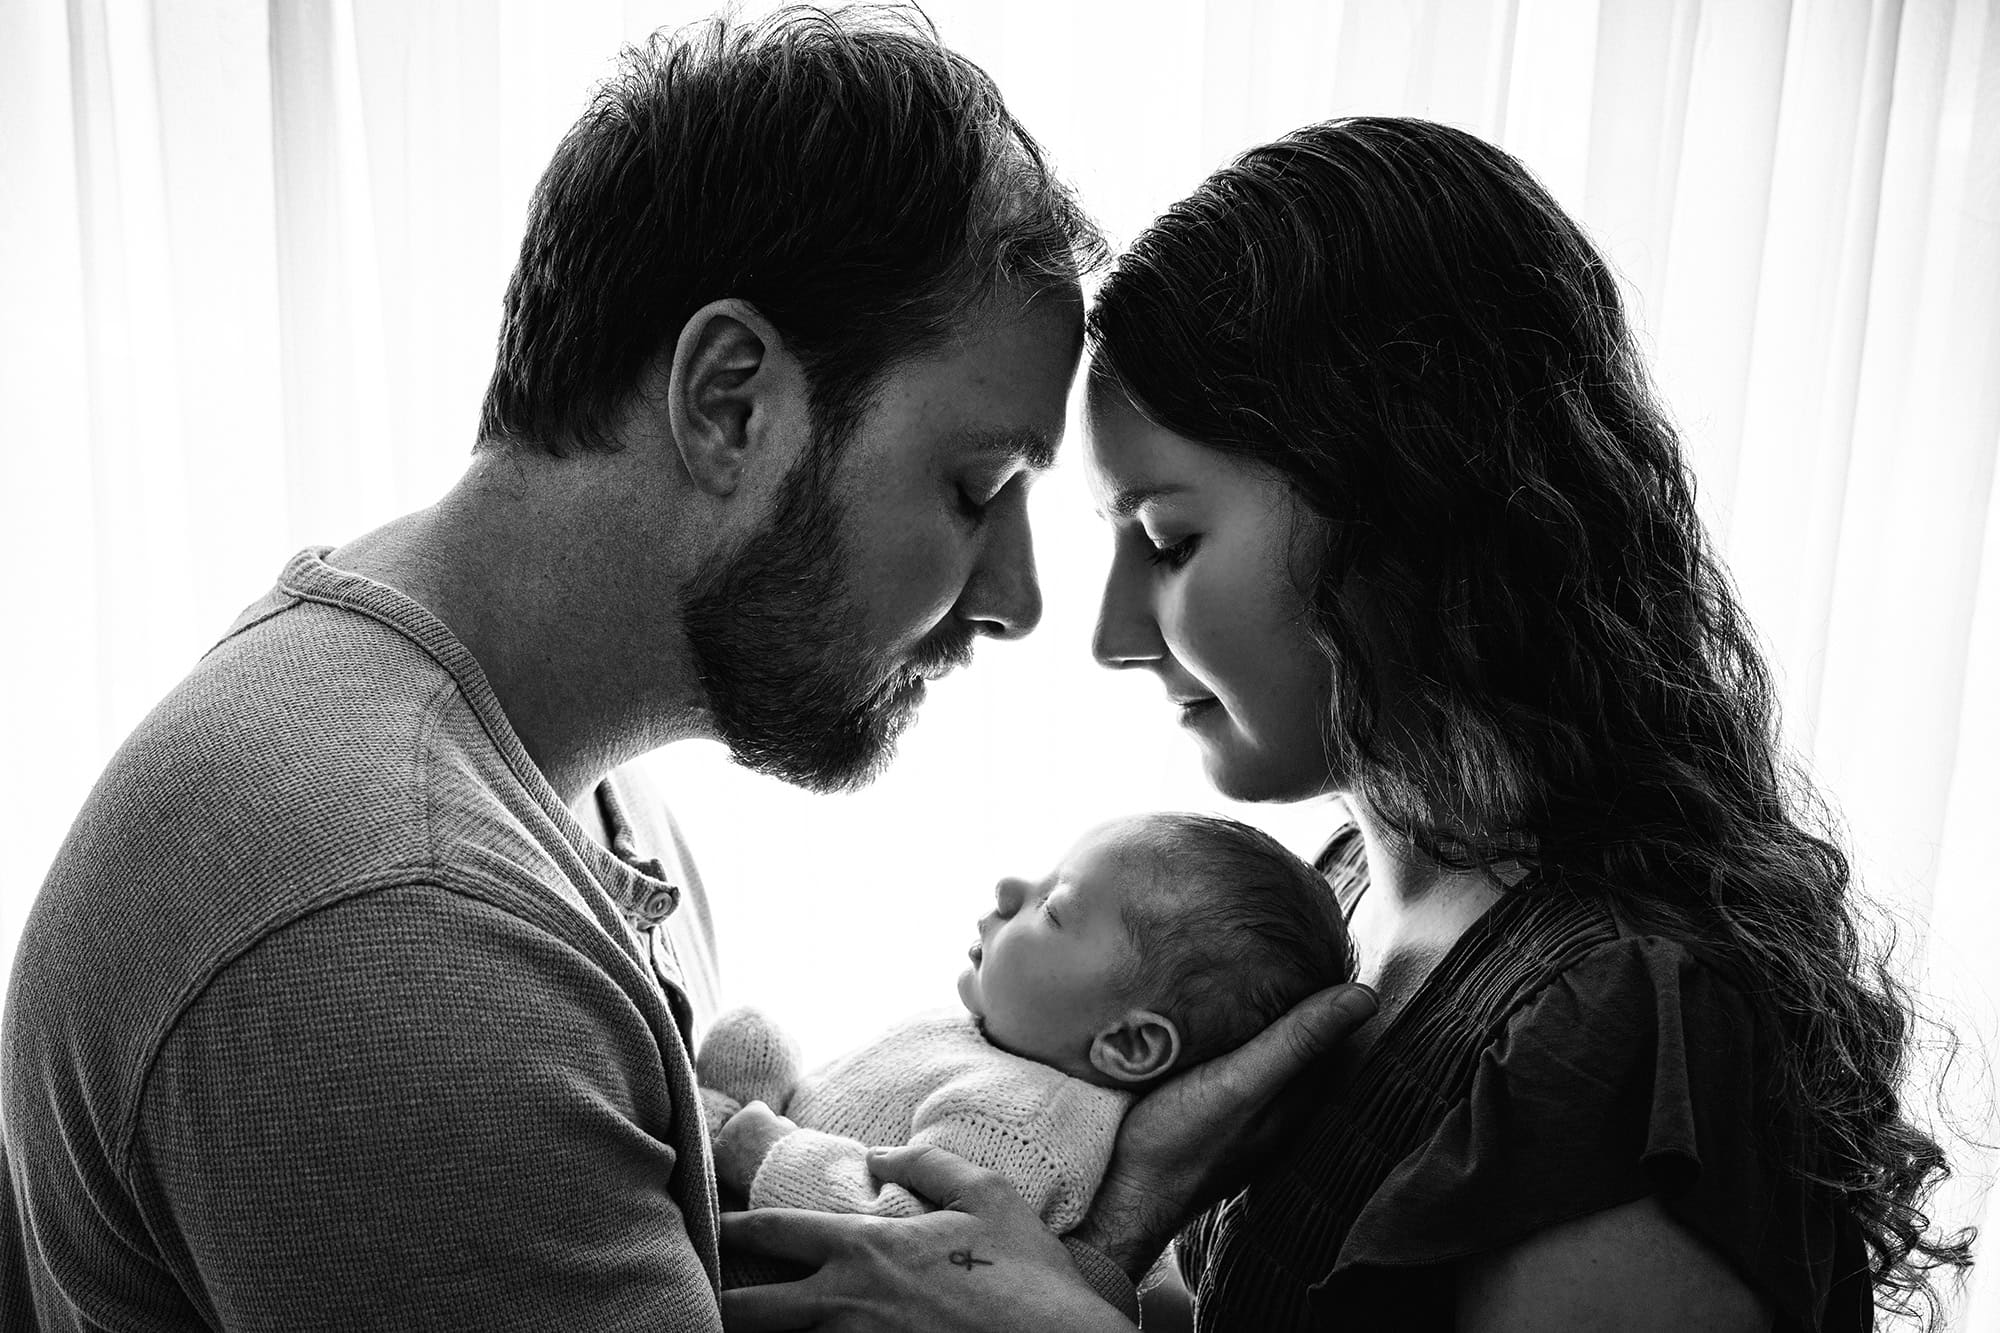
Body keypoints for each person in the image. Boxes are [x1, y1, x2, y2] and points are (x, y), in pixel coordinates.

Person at [9, 11, 1381, 1332]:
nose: (1021, 603)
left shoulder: (582, 793)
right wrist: (1087, 1270)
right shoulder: (394, 930)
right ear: (731, 400)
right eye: (976, 489)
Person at [720, 118, 1973, 1332]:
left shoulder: (1630, 1027)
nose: (1110, 634)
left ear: (1401, 508)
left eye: (1166, 540)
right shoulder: (1332, 901)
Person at [697, 813, 1353, 1239]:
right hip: (741, 1195)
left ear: (1128, 1041)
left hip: (764, 1271)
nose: (1011, 889)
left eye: (1053, 907)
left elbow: (902, 1236)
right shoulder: (991, 1040)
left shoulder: (1024, 1122)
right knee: (755, 1039)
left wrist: (751, 1139)